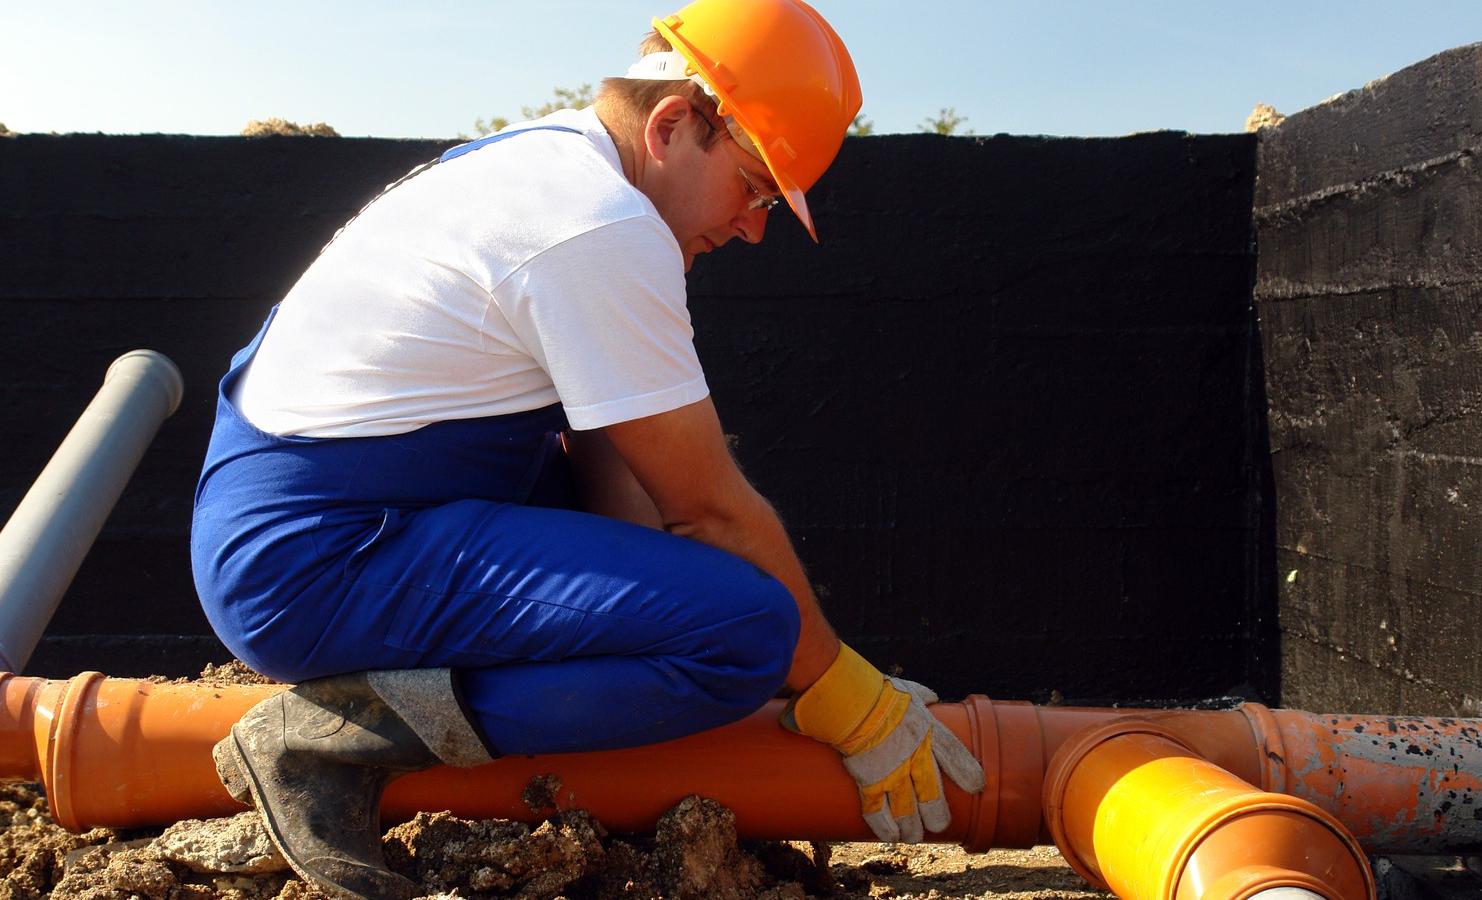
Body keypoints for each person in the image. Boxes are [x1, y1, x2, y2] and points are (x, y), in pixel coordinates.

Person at [190, 1, 984, 897]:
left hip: (334, 514)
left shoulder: (548, 168)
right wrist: (844, 695)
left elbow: (614, 463)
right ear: (675, 123)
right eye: (755, 187)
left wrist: (666, 620)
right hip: (319, 557)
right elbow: (710, 511)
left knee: (716, 609)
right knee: (745, 634)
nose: (754, 226)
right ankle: (331, 743)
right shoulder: (599, 224)